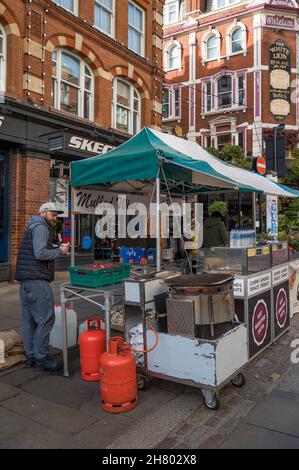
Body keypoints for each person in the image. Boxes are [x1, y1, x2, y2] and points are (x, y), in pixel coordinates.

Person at [15, 202, 70, 371]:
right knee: (46, 319)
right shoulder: (41, 227)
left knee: (29, 321)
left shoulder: (31, 226)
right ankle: (42, 358)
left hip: (26, 282)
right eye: (52, 214)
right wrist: (60, 251)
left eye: (55, 215)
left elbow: (35, 251)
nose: (54, 218)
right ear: (43, 212)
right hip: (37, 280)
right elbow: (40, 254)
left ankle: (31, 356)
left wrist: (53, 246)